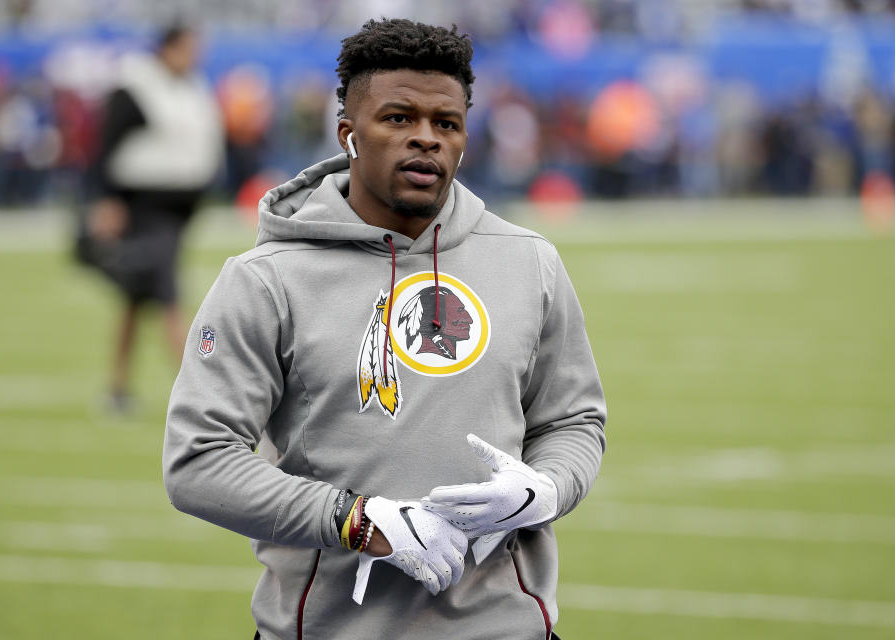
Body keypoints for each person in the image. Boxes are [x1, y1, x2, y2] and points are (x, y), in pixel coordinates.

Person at [163, 18, 605, 640]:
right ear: (348, 133)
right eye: (398, 118)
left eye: (445, 124)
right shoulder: (265, 280)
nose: (425, 139)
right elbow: (197, 462)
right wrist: (354, 519)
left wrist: (545, 489)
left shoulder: (529, 260)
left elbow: (573, 421)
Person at [82, 25, 222, 410]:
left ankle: (117, 389)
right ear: (168, 48)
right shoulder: (137, 85)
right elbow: (106, 142)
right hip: (145, 205)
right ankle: (198, 395)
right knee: (168, 295)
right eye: (189, 47)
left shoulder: (189, 86)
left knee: (135, 299)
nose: (196, 55)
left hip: (177, 209)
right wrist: (105, 199)